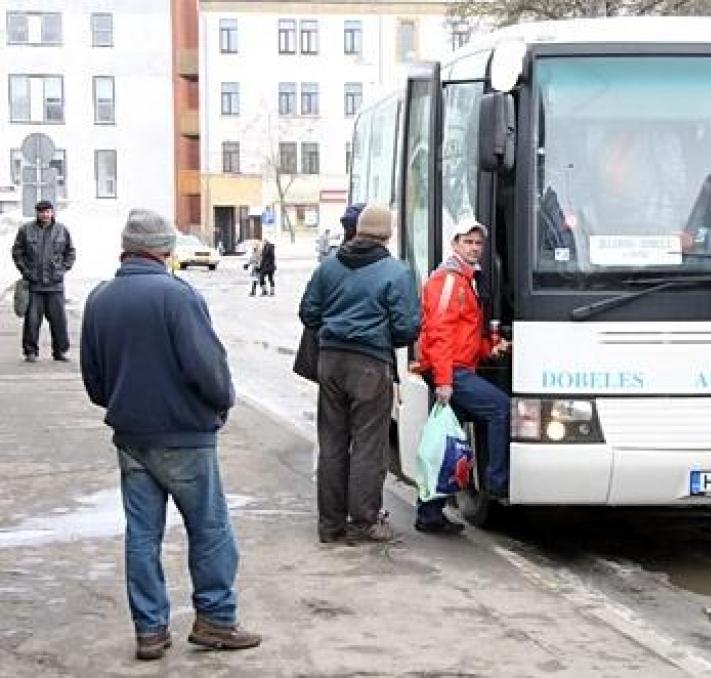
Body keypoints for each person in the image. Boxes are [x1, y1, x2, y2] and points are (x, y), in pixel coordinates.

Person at [80, 209, 261, 660]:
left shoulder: (99, 299)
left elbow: (94, 379)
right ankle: (216, 619)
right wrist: (221, 404)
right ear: (164, 249)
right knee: (210, 529)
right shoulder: (178, 297)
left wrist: (124, 407)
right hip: (184, 436)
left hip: (132, 435)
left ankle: (150, 632)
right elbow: (209, 370)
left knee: (142, 534)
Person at [299, 204, 420, 544]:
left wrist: (333, 332)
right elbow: (407, 327)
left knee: (332, 443)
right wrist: (378, 337)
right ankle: (365, 521)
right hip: (370, 365)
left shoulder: (329, 266)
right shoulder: (396, 272)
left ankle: (330, 525)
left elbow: (308, 312)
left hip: (330, 362)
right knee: (369, 445)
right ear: (388, 233)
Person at [416, 219, 510, 534]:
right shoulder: (449, 282)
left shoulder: (464, 280)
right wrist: (443, 380)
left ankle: (429, 514)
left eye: (478, 243)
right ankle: (497, 483)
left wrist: (488, 349)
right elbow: (438, 333)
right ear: (455, 244)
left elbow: (461, 334)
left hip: (454, 368)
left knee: (444, 443)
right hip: (451, 371)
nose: (473, 248)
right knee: (499, 408)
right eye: (467, 242)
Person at [11, 200, 76, 362]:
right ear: (37, 213)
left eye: (48, 211)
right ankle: (30, 351)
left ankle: (60, 351)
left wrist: (62, 270)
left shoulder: (62, 230)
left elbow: (71, 253)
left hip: (55, 286)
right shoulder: (26, 230)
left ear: (52, 212)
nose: (45, 215)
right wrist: (26, 271)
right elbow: (17, 252)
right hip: (34, 286)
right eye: (41, 212)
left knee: (59, 321)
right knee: (32, 321)